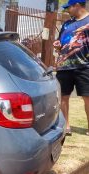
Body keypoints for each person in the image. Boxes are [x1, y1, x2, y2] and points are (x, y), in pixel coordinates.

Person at [54, 0, 89, 136]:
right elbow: (60, 42)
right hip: (64, 66)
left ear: (77, 5)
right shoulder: (67, 23)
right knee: (63, 96)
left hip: (84, 65)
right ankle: (66, 126)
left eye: (69, 7)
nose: (67, 10)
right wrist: (57, 45)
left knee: (87, 97)